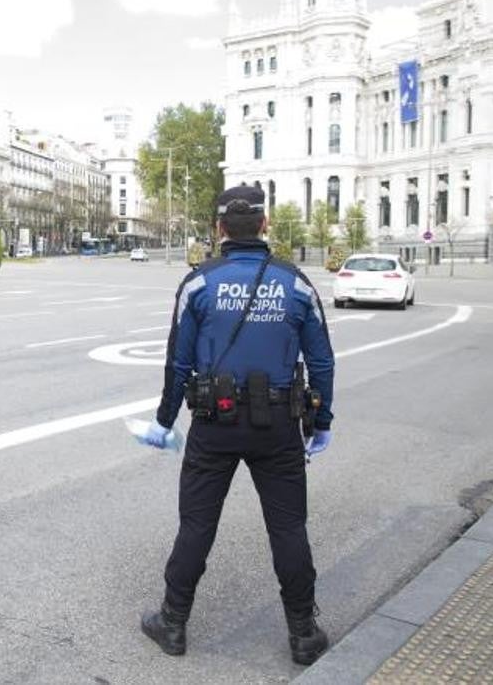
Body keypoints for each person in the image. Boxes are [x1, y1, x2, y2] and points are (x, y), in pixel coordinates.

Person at [136, 185, 335, 666]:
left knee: (197, 525)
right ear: (265, 226)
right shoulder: (297, 284)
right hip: (279, 428)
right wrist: (320, 421)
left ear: (220, 229)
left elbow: (177, 365)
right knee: (288, 528)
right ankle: (303, 634)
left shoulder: (200, 285)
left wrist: (164, 422)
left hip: (213, 425)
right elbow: (323, 362)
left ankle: (174, 623)